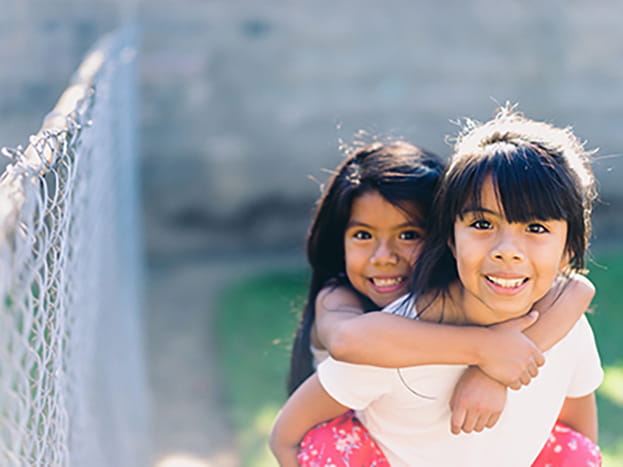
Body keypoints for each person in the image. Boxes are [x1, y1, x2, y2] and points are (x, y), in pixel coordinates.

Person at [271, 107, 603, 466]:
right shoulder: (355, 316)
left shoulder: (563, 318)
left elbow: (579, 442)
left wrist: (495, 373)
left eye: (409, 234)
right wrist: (487, 350)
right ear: (450, 237)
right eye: (481, 223)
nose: (385, 257)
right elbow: (349, 342)